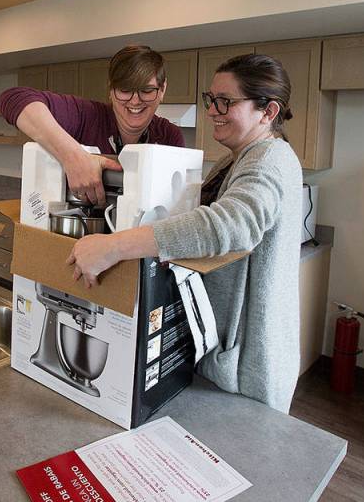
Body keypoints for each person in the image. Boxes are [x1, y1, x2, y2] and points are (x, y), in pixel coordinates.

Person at [66, 54, 303, 413]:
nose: (213, 110)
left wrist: (114, 247)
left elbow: (230, 225)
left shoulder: (270, 159)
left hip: (246, 364)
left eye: (226, 101)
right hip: (220, 355)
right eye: (212, 99)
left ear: (268, 111)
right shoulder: (234, 159)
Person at [0, 45, 184, 206]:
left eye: (146, 90)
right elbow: (13, 98)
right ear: (111, 90)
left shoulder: (170, 136)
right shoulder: (86, 115)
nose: (135, 101)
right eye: (125, 90)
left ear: (162, 90)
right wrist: (72, 156)